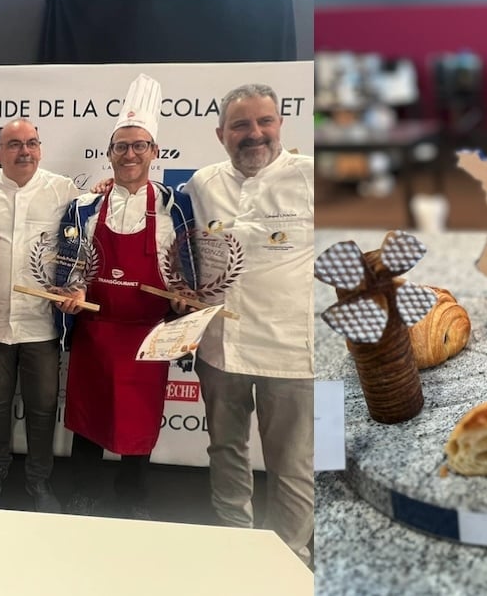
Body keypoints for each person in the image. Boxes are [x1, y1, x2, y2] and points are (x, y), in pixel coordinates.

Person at [55, 74, 195, 520]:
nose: (130, 154)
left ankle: (133, 492)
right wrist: (70, 292)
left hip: (146, 336)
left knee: (140, 416)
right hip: (96, 332)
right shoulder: (84, 207)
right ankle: (83, 490)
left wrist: (182, 301)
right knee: (89, 416)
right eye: (122, 146)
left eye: (139, 145)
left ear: (154, 152)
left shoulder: (177, 207)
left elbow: (190, 273)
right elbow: (69, 266)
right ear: (109, 153)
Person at [184, 83, 314, 565]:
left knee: (293, 466)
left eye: (264, 122)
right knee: (225, 449)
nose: (253, 134)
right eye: (241, 125)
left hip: (293, 353)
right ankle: (234, 543)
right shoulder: (202, 183)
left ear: (280, 124)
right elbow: (180, 243)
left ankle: (289, 554)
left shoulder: (313, 178)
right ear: (221, 133)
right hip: (220, 348)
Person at [0, 118, 78, 513]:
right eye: (14, 144)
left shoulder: (64, 191)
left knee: (43, 406)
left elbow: (81, 245)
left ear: (41, 148)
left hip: (41, 323)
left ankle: (39, 478)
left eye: (32, 143)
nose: (24, 151)